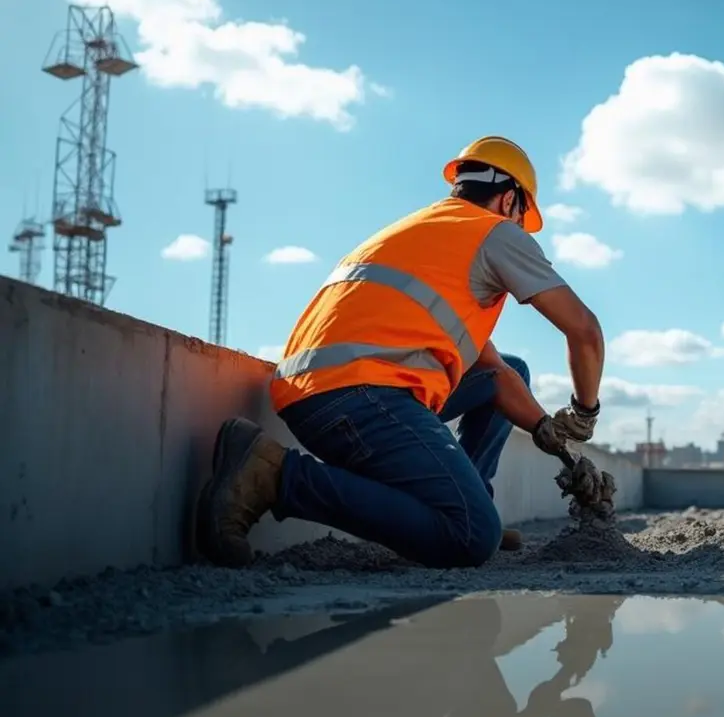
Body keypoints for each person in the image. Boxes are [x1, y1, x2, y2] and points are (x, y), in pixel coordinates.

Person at [194, 135, 607, 569]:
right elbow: (585, 331)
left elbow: (497, 375)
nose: (520, 228)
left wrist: (559, 445)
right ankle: (275, 477)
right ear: (508, 200)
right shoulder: (494, 234)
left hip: (316, 395)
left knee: (513, 370)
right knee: (470, 537)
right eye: (521, 217)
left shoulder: (424, 234)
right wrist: (584, 415)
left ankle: (464, 496)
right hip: (360, 397)